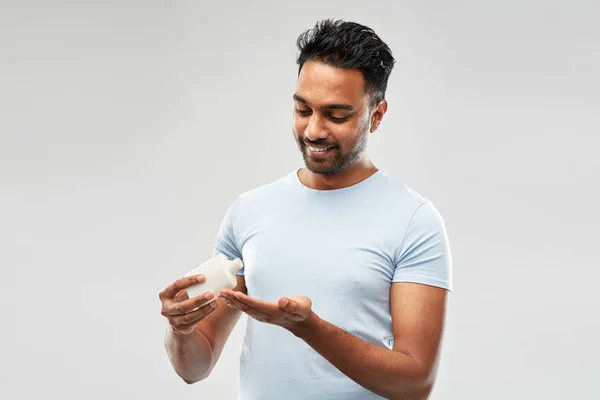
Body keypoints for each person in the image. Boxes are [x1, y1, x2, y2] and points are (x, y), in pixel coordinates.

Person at [159, 18, 452, 400]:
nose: (314, 130)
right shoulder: (250, 211)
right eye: (303, 110)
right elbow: (195, 368)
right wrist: (181, 331)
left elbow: (415, 383)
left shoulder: (414, 221)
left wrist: (308, 327)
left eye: (336, 115)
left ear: (376, 116)